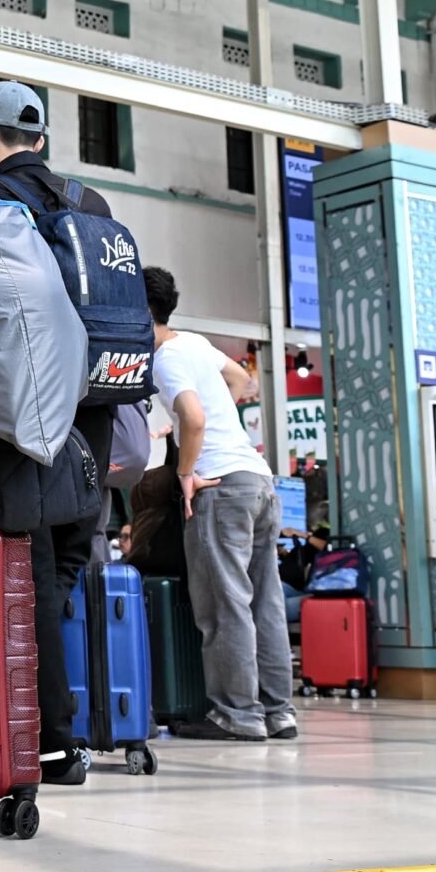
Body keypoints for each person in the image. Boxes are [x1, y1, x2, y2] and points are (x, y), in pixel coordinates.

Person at [0, 79, 119, 784]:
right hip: (99, 416)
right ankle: (62, 724)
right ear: (43, 140)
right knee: (62, 575)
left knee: (31, 571)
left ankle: (50, 741)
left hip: (31, 412)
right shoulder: (92, 204)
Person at [146, 267, 297, 742]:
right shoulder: (194, 343)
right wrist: (200, 426)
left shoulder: (165, 358)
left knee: (226, 605)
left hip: (220, 487)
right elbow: (241, 379)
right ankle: (279, 712)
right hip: (258, 480)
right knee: (265, 602)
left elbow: (192, 416)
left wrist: (186, 469)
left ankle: (238, 714)